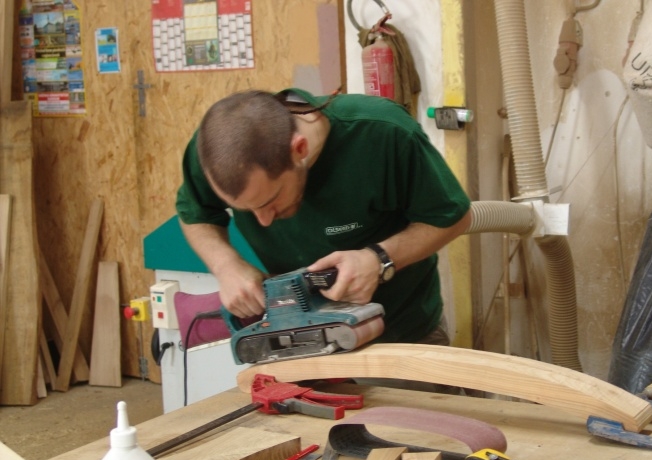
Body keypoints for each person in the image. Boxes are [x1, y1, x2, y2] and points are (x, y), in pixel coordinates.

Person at [175, 88, 472, 346]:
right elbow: (195, 213)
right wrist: (226, 266)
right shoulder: (217, 151)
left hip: (397, 334)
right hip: (296, 335)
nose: (263, 221)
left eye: (269, 201)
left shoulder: (382, 134)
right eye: (245, 210)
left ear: (299, 149)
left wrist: (380, 259)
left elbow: (454, 217)